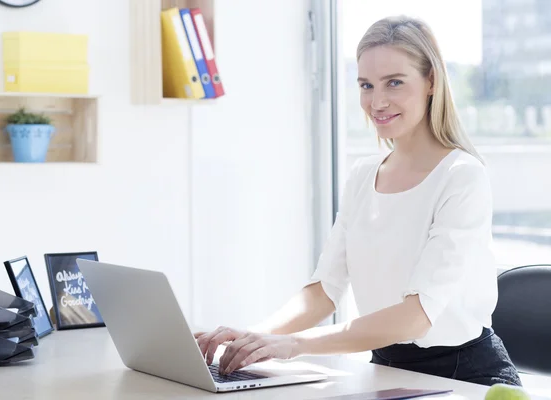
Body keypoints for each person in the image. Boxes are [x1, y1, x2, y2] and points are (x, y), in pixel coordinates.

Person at [194, 15, 522, 387]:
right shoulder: (363, 176)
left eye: (394, 83)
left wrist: (293, 345)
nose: (377, 101)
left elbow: (416, 316)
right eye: (366, 85)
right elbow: (323, 291)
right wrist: (253, 338)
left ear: (431, 80)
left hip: (465, 378)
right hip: (385, 371)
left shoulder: (462, 176)